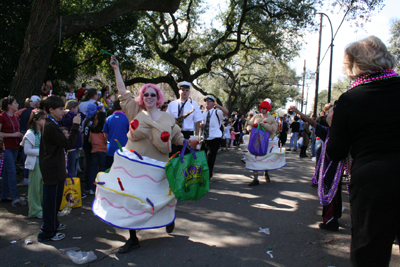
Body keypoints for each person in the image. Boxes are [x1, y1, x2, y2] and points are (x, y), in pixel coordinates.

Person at [326, 36, 400, 266]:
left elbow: (336, 151)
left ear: (353, 65)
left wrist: (332, 124)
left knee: (370, 251)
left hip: (373, 182)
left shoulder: (350, 100)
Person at [109, 55, 187, 253]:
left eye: (153, 95)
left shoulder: (168, 117)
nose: (149, 98)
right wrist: (117, 69)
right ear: (142, 97)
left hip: (157, 167)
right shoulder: (134, 110)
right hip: (133, 167)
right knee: (132, 200)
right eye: (146, 95)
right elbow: (122, 92)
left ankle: (168, 216)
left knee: (160, 197)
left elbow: (177, 137)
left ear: (158, 98)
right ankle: (133, 237)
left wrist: (190, 142)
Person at [289, 105, 342, 232]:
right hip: (332, 172)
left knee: (330, 194)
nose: (326, 115)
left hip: (331, 172)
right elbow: (312, 122)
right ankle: (333, 217)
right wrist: (298, 112)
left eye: (329, 113)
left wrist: (297, 112)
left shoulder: (333, 133)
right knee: (333, 193)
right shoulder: (332, 132)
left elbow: (312, 122)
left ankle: (330, 221)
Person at [37, 96, 81, 242]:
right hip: (52, 169)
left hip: (55, 168)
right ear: (51, 110)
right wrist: (75, 126)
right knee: (51, 201)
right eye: (61, 109)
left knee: (55, 200)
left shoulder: (52, 123)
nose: (64, 111)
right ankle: (47, 231)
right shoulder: (50, 125)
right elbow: (67, 144)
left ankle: (53, 224)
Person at [245, 99, 279, 186]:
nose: (262, 110)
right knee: (254, 157)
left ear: (267, 109)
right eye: (261, 108)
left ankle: (266, 172)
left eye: (264, 108)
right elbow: (250, 124)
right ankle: (255, 178)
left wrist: (264, 125)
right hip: (255, 140)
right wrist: (250, 128)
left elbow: (274, 129)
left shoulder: (271, 118)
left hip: (267, 141)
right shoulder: (256, 116)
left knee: (265, 158)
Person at [0, 96, 26, 206]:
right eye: (15, 103)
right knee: (12, 171)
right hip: (6, 148)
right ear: (9, 106)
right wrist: (14, 135)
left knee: (7, 172)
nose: (17, 105)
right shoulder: (2, 117)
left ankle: (4, 195)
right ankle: (15, 197)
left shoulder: (15, 117)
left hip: (15, 146)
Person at [21, 109, 46, 218]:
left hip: (43, 163)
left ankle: (41, 207)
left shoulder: (42, 132)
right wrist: (42, 152)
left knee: (42, 187)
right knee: (35, 188)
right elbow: (27, 151)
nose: (45, 121)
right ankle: (35, 210)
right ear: (36, 120)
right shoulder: (30, 133)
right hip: (35, 164)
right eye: (42, 119)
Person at [166, 81, 203, 152]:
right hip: (175, 133)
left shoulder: (194, 105)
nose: (184, 92)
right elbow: (166, 119)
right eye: (183, 90)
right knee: (173, 158)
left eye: (187, 90)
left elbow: (197, 123)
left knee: (187, 159)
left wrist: (196, 141)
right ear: (179, 91)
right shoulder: (172, 104)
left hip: (188, 134)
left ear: (189, 92)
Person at [200, 95, 228, 179]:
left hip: (215, 138)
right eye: (206, 101)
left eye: (209, 101)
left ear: (213, 103)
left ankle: (207, 176)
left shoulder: (217, 112)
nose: (207, 102)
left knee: (210, 159)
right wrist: (202, 125)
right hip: (205, 139)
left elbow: (226, 112)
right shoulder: (203, 113)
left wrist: (219, 106)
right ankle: (206, 174)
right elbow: (201, 124)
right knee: (201, 158)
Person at [18, 95, 41, 186]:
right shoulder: (33, 113)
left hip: (23, 132)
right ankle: (27, 176)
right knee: (27, 157)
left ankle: (26, 176)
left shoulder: (23, 111)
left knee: (26, 157)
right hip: (29, 135)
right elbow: (27, 151)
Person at [103, 99, 129, 169]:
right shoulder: (127, 119)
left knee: (109, 170)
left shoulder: (108, 119)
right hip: (123, 149)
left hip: (110, 149)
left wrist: (106, 142)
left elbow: (105, 135)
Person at [61, 100, 82, 178]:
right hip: (72, 146)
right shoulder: (68, 117)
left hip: (74, 145)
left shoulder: (67, 116)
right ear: (72, 108)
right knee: (71, 168)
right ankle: (71, 186)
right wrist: (71, 113)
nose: (78, 110)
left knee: (73, 167)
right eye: (77, 108)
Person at [89, 111, 107, 193]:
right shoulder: (104, 128)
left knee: (94, 170)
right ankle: (101, 188)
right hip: (103, 150)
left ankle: (92, 188)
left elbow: (89, 140)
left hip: (94, 150)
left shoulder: (92, 128)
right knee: (102, 170)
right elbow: (105, 140)